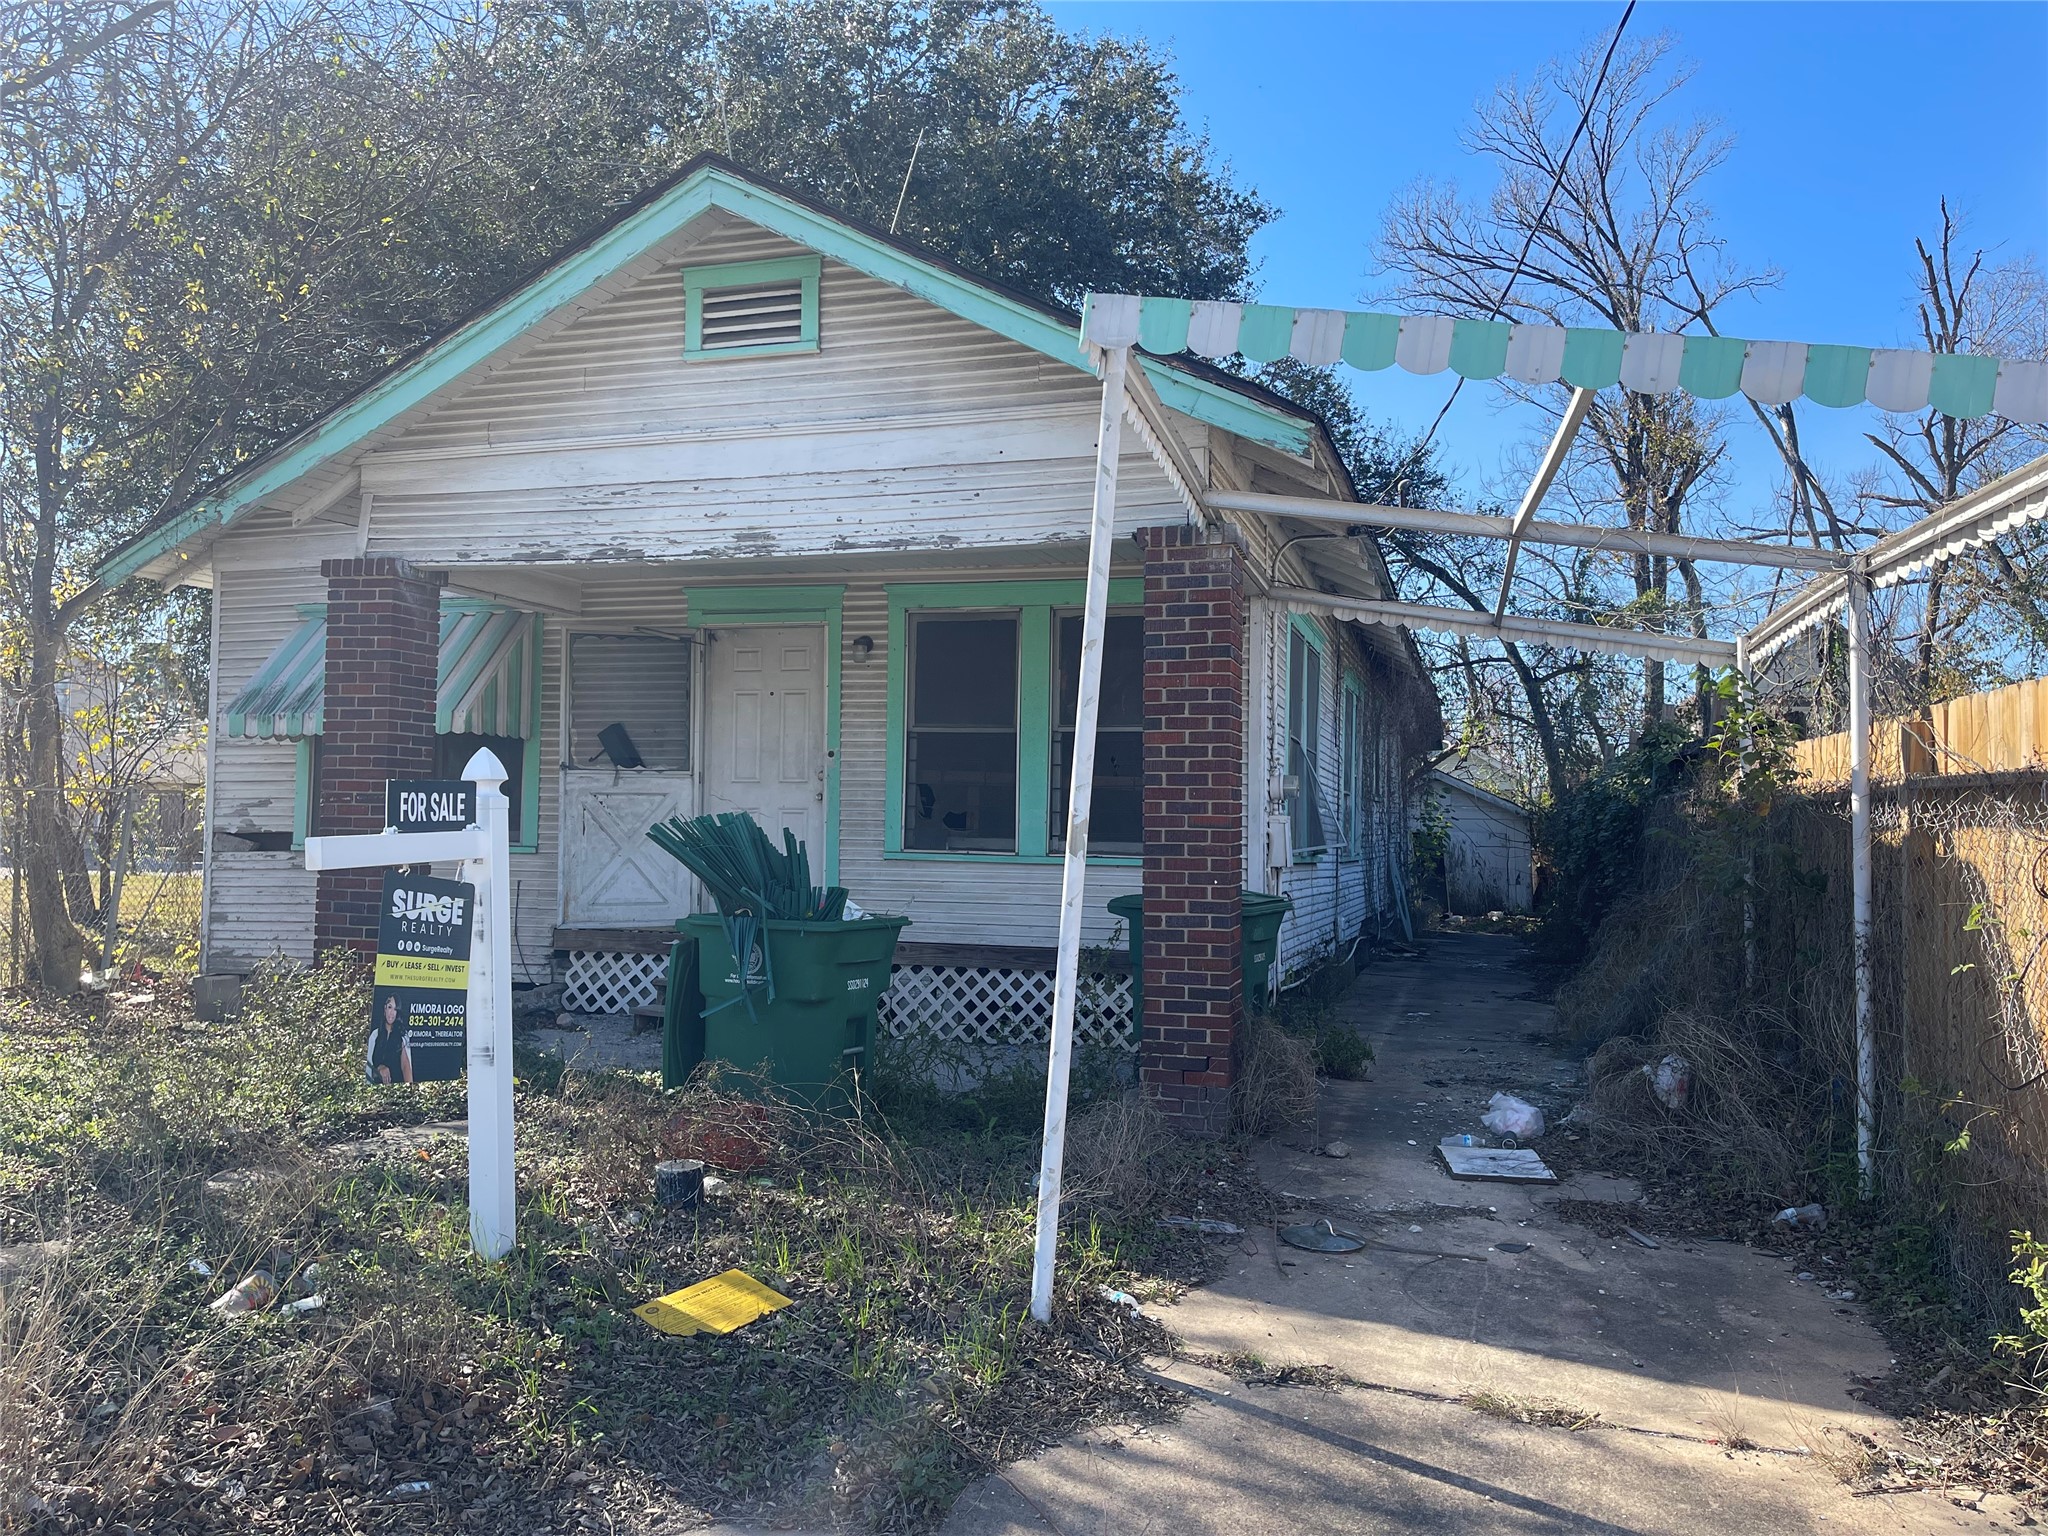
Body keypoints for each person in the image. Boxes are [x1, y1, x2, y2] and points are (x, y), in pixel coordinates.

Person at [366, 993, 413, 1085]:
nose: (392, 1013)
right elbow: (368, 1069)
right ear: (385, 1008)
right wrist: (379, 1069)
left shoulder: (403, 1036)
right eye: (390, 1007)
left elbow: (406, 1066)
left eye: (395, 1009)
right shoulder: (374, 1036)